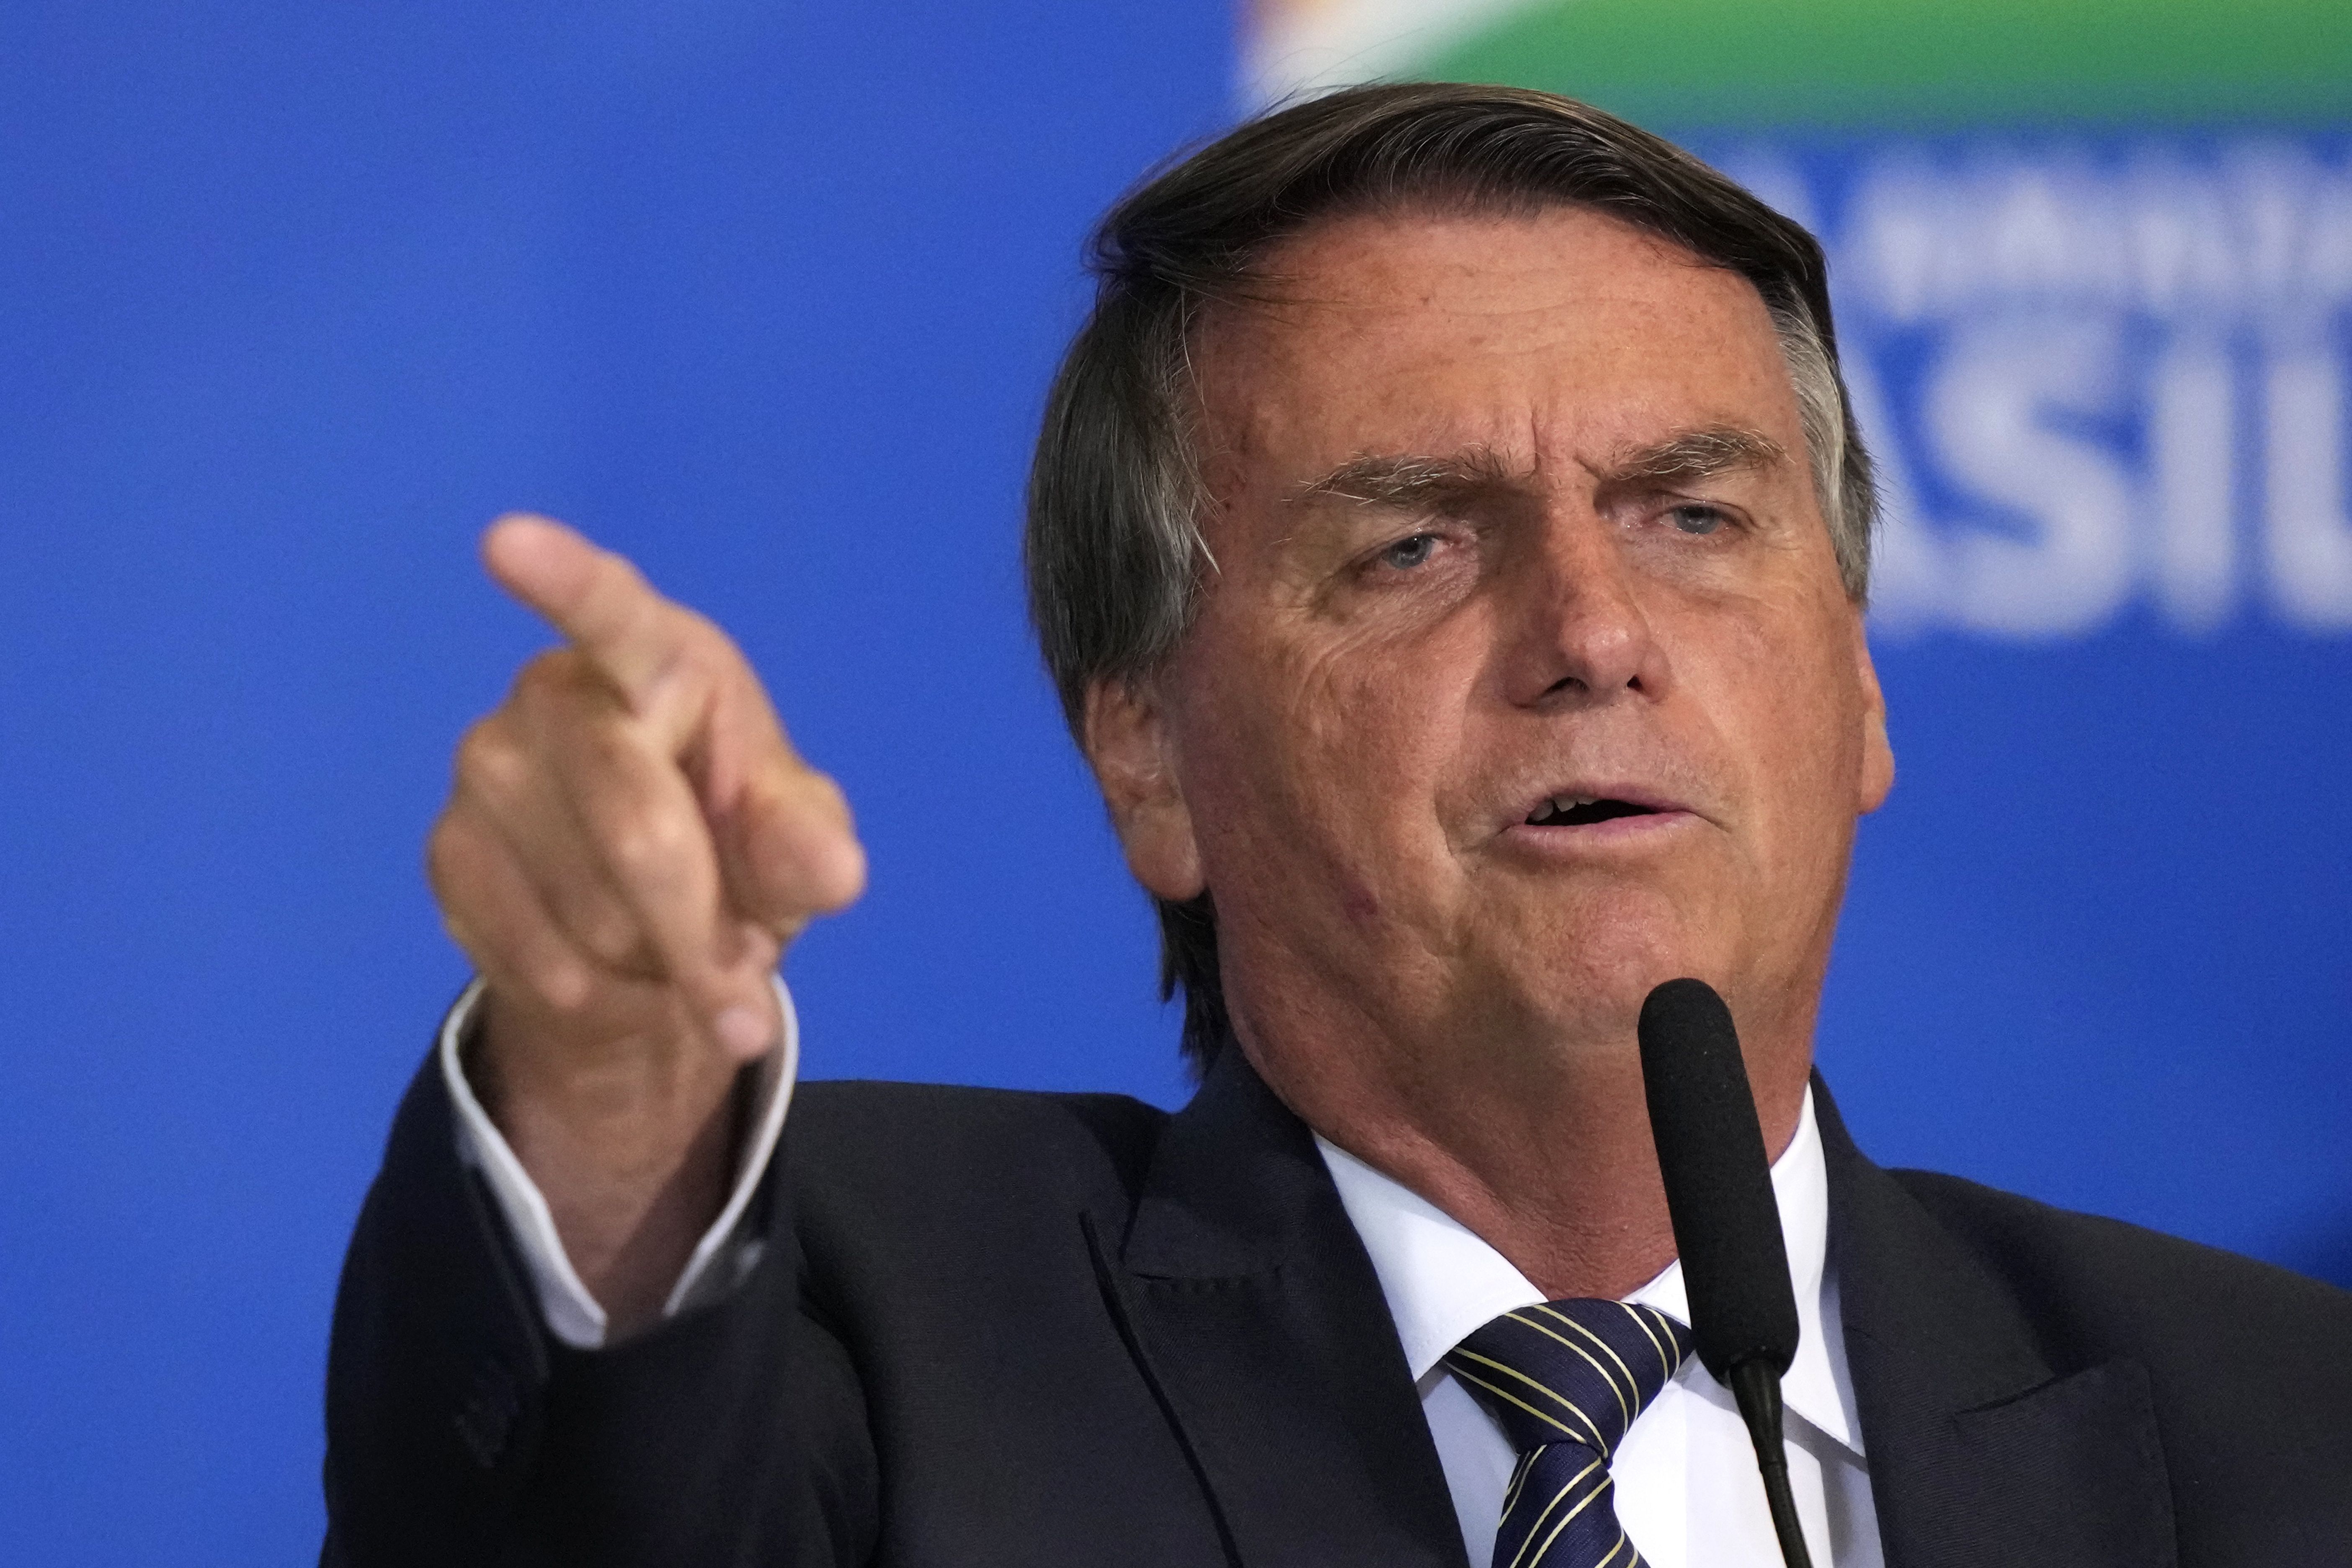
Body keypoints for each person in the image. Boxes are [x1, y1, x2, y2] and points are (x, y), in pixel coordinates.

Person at [322, 84, 2352, 1567]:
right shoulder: (865, 1331)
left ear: (1865, 688)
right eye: (1413, 545)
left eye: (1693, 515)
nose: (1593, 633)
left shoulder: (2279, 1427)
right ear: (1146, 756)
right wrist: (615, 1077)